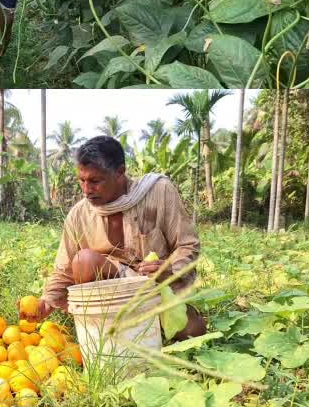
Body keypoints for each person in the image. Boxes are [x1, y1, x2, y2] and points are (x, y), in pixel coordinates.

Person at [30, 136, 207, 341]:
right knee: (84, 261)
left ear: (120, 173)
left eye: (95, 181)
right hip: (111, 300)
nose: (87, 190)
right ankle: (113, 333)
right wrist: (47, 300)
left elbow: (187, 245)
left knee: (193, 333)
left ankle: (142, 328)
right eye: (82, 180)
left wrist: (168, 269)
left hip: (156, 289)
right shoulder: (79, 215)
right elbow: (64, 269)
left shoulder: (158, 191)